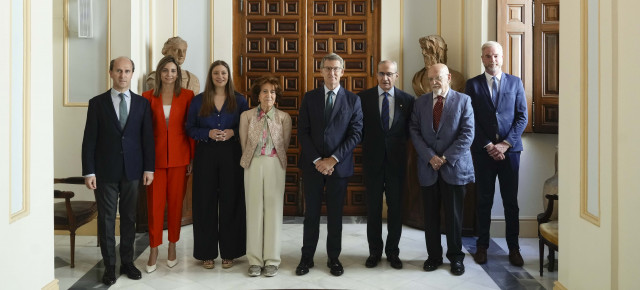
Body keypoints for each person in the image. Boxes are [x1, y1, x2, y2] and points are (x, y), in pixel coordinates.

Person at [81, 57, 154, 285]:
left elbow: (147, 140)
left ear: (133, 74)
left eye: (127, 71)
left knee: (130, 218)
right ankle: (109, 266)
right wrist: (89, 172)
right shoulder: (97, 103)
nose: (123, 75)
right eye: (119, 71)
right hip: (105, 172)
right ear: (111, 73)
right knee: (106, 219)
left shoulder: (142, 104)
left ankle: (128, 262)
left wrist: (149, 168)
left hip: (133, 171)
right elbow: (89, 141)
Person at [295, 53, 363, 277]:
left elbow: (355, 134)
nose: (332, 73)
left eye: (336, 69)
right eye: (327, 68)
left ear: (342, 72)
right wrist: (317, 160)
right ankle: (307, 257)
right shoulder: (309, 97)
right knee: (311, 214)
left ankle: (334, 258)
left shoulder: (353, 100)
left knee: (335, 215)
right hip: (313, 166)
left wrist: (333, 159)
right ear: (321, 71)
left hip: (339, 167)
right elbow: (302, 132)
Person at [465, 41, 528, 267]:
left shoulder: (515, 82)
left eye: (496, 56)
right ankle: (482, 246)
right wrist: (489, 145)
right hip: (484, 153)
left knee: (511, 202)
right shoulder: (472, 85)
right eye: (488, 56)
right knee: (483, 200)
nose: (493, 60)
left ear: (502, 57)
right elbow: (470, 119)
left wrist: (505, 145)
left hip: (511, 153)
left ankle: (514, 248)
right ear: (482, 58)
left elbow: (522, 117)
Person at [409, 63, 475, 276]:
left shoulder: (464, 101)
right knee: (430, 216)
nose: (434, 82)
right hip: (429, 168)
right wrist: (431, 157)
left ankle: (456, 258)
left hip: (453, 167)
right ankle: (433, 256)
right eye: (430, 79)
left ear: (448, 77)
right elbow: (414, 131)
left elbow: (467, 134)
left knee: (454, 217)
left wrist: (444, 158)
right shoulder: (420, 103)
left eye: (438, 77)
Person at [186, 60, 248, 269]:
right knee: (205, 202)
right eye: (216, 73)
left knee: (232, 201)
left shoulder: (239, 101)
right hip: (206, 154)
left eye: (223, 73)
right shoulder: (198, 101)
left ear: (228, 75)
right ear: (210, 76)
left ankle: (230, 252)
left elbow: (247, 126)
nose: (220, 76)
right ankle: (207, 253)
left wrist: (233, 132)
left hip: (232, 154)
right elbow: (190, 128)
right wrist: (208, 133)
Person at [357, 60, 414, 269]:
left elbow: (410, 131)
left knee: (396, 209)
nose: (385, 78)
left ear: (397, 76)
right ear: (376, 75)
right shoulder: (362, 98)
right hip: (372, 163)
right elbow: (358, 129)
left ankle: (393, 252)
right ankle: (374, 252)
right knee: (372, 210)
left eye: (389, 74)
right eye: (381, 74)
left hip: (397, 164)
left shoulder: (407, 100)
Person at [141, 55, 195, 273]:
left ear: (178, 74)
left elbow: (190, 129)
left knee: (175, 205)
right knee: (154, 206)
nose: (169, 74)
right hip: (154, 161)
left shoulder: (188, 96)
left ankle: (173, 245)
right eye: (165, 70)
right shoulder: (146, 98)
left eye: (173, 71)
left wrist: (192, 157)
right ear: (159, 73)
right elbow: (144, 133)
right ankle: (154, 248)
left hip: (180, 159)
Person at [239, 76, 292, 277]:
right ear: (257, 95)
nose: (268, 95)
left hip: (275, 165)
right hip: (252, 164)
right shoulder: (247, 116)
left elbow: (284, 145)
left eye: (272, 92)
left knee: (274, 211)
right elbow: (243, 144)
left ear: (276, 96)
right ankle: (254, 260)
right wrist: (253, 159)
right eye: (264, 91)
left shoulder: (284, 117)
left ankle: (272, 260)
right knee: (253, 210)